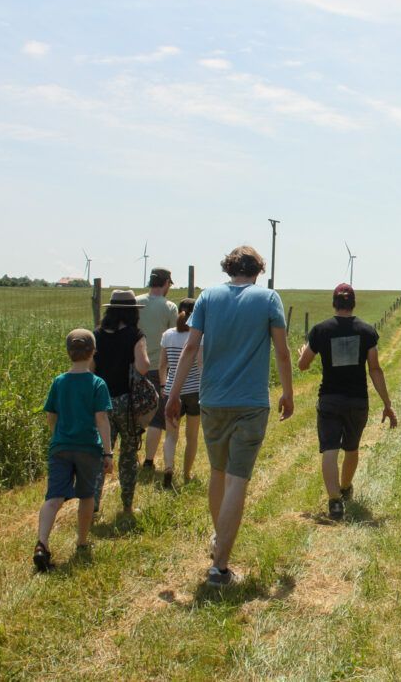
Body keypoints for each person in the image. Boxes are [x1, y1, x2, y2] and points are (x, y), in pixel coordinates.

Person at [165, 245, 294, 587]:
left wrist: (174, 393)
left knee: (218, 474)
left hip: (212, 401)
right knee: (238, 479)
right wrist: (287, 392)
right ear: (257, 270)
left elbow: (191, 348)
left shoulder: (207, 297)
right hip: (251, 403)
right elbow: (281, 351)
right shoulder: (268, 300)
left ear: (229, 269)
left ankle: (217, 540)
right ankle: (220, 566)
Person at [298, 283, 398, 521]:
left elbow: (303, 365)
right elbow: (375, 369)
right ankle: (345, 488)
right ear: (353, 303)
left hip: (330, 398)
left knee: (330, 449)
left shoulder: (321, 330)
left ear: (334, 303)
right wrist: (387, 403)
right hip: (357, 400)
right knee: (352, 448)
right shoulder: (366, 331)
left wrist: (302, 352)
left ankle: (334, 503)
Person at [34, 329, 113, 571]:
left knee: (54, 497)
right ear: (93, 353)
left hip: (61, 446)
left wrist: (57, 436)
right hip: (88, 448)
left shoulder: (59, 381)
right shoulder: (97, 383)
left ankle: (41, 543)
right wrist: (108, 453)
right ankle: (81, 541)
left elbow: (51, 415)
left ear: (69, 353)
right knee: (87, 495)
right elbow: (101, 419)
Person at [93, 289, 150, 516]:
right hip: (126, 402)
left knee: (100, 453)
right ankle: (127, 505)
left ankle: (93, 505)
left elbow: (90, 369)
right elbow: (144, 366)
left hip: (100, 402)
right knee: (128, 455)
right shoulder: (135, 335)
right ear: (133, 312)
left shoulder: (96, 334)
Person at [159, 297, 202, 488]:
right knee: (191, 436)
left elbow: (162, 365)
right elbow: (201, 364)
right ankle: (186, 473)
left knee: (170, 435)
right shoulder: (198, 335)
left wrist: (163, 386)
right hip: (194, 390)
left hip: (171, 390)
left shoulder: (168, 335)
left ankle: (168, 468)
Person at [138, 268, 178, 470]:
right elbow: (174, 336)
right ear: (165, 284)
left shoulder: (135, 302)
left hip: (134, 366)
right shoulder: (169, 307)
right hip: (158, 368)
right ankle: (149, 460)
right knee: (156, 417)